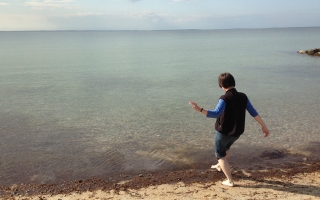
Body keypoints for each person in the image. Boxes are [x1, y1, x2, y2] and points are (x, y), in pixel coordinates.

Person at [189, 72, 269, 187]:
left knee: (220, 154)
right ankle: (219, 165)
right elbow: (254, 113)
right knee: (226, 148)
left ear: (222, 85)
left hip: (224, 132)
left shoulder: (224, 98)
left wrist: (199, 109)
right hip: (237, 133)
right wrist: (264, 126)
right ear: (233, 83)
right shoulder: (243, 96)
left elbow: (216, 113)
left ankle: (230, 180)